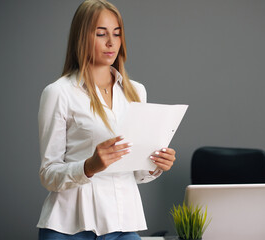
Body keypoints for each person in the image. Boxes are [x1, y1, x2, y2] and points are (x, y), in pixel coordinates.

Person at [37, 0, 177, 239]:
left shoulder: (136, 92)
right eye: (101, 34)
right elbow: (48, 175)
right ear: (82, 37)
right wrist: (88, 167)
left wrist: (156, 165)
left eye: (117, 33)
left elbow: (135, 172)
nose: (111, 42)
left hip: (122, 224)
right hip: (70, 227)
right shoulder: (59, 93)